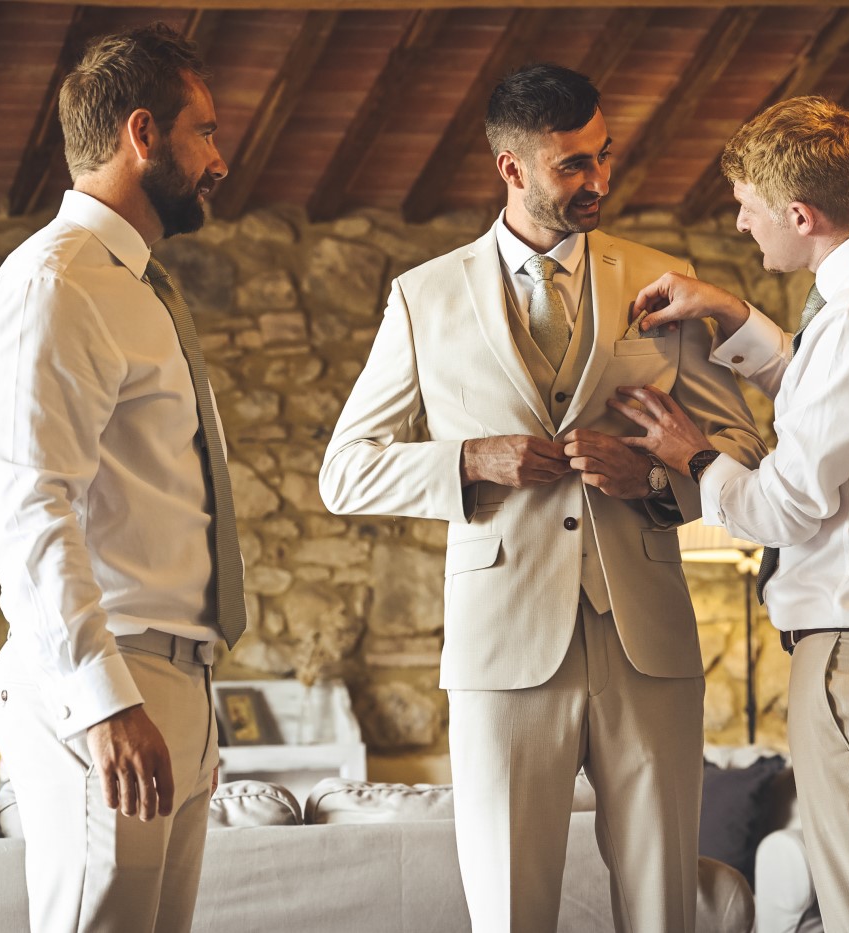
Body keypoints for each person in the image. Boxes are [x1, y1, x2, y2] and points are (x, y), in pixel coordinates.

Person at [319, 63, 763, 933]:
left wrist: (661, 480)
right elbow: (346, 469)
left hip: (649, 648)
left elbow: (745, 447)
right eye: (573, 166)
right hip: (503, 653)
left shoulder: (662, 284)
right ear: (512, 169)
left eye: (603, 156)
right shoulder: (424, 299)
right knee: (511, 912)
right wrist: (469, 460)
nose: (598, 180)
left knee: (664, 911)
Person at [611, 96, 849, 933]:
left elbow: (787, 504)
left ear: (801, 215)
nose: (742, 226)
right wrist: (732, 315)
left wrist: (693, 454)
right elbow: (842, 400)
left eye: (745, 206)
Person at [0, 23, 242, 933]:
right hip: (112, 678)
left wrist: (191, 704)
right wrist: (107, 702)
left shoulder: (139, 287)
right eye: (205, 131)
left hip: (175, 679)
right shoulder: (58, 284)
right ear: (143, 134)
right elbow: (30, 510)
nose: (221, 159)